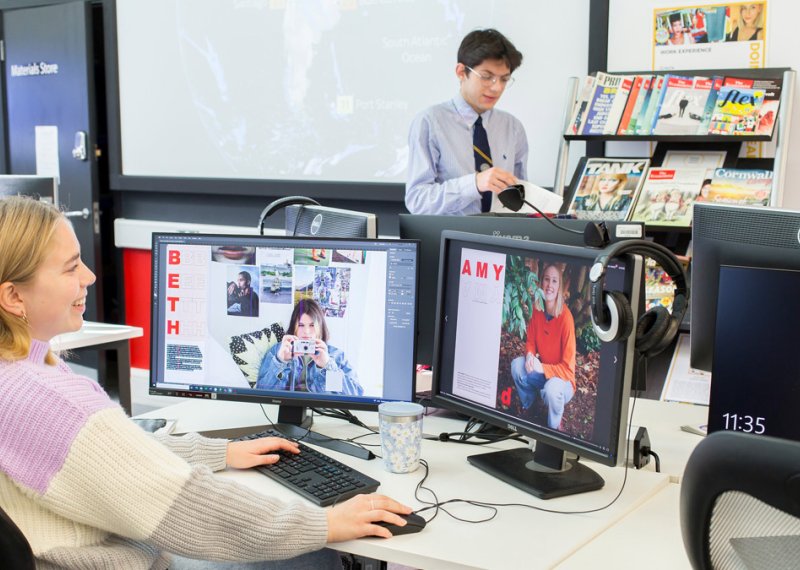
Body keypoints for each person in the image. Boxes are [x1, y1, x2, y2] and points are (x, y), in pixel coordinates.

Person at [0, 196, 412, 569]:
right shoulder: (48, 400)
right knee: (314, 554)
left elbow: (113, 454)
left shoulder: (17, 373)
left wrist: (220, 452)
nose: (89, 276)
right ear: (14, 297)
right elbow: (182, 505)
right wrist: (322, 523)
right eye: (72, 267)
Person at [405, 28, 528, 216]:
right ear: (461, 72)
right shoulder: (430, 122)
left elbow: (522, 197)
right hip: (450, 240)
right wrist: (474, 184)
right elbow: (417, 201)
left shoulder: (513, 128)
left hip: (502, 239)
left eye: (504, 79)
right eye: (487, 77)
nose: (497, 88)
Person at [509, 263, 576, 431]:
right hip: (543, 374)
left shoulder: (566, 319)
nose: (549, 285)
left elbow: (568, 370)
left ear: (559, 286)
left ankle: (554, 428)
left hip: (562, 382)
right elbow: (530, 340)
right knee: (517, 366)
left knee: (552, 389)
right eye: (546, 280)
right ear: (541, 283)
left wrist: (542, 367)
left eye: (554, 281)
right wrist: (530, 355)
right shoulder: (537, 309)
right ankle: (530, 405)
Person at [256, 299, 363, 396]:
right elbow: (261, 393)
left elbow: (355, 395)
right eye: (301, 325)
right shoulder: (279, 351)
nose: (306, 332)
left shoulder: (336, 355)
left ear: (320, 328)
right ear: (294, 327)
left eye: (312, 325)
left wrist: (328, 366)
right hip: (288, 411)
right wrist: (280, 361)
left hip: (323, 413)